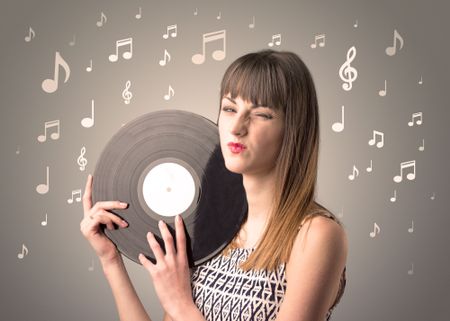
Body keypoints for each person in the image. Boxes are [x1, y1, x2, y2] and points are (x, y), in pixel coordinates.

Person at [81, 49, 348, 321]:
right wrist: (110, 260)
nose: (236, 127)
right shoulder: (211, 226)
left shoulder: (316, 235)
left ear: (294, 128)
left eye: (261, 114)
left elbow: (181, 310)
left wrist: (181, 305)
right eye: (230, 109)